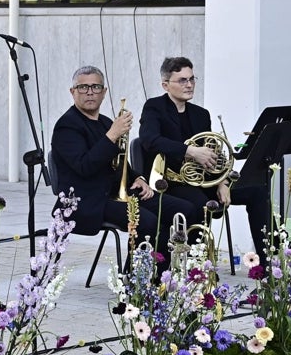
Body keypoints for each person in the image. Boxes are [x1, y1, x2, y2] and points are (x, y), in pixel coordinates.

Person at [51, 66, 198, 266]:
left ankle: (166, 275)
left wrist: (137, 178)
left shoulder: (104, 122)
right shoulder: (67, 126)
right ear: (72, 92)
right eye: (83, 87)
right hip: (87, 200)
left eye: (95, 87)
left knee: (184, 209)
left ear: (104, 92)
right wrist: (112, 135)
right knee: (148, 222)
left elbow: (119, 162)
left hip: (117, 195)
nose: (90, 92)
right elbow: (84, 166)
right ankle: (136, 283)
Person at [138, 57, 272, 260]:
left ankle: (268, 262)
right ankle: (198, 267)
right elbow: (149, 140)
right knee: (201, 204)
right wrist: (189, 151)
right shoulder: (154, 107)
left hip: (205, 181)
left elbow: (212, 154)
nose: (189, 85)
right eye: (182, 80)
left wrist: (222, 183)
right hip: (172, 182)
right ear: (165, 85)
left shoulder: (201, 114)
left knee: (257, 192)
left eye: (192, 79)